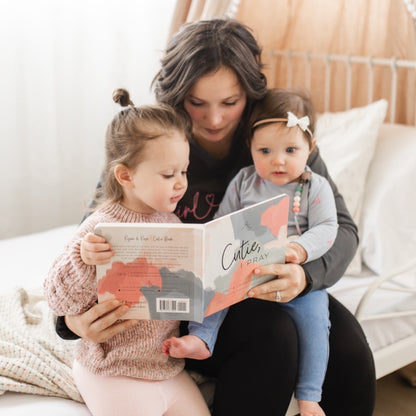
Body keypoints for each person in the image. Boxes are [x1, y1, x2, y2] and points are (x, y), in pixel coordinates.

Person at [55, 19, 376, 416]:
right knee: (273, 337)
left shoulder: (277, 133)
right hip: (173, 309)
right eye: (196, 103)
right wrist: (70, 322)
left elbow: (342, 228)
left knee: (348, 347)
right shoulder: (157, 132)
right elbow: (95, 226)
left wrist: (307, 276)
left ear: (250, 95)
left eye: (230, 103)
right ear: (176, 96)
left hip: (263, 282)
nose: (214, 120)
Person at [164, 88, 336, 416]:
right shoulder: (244, 182)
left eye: (290, 149)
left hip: (294, 277)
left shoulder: (315, 187)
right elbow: (223, 222)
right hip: (246, 270)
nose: (278, 160)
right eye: (265, 150)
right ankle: (202, 338)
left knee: (317, 324)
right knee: (216, 290)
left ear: (310, 149)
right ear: (251, 148)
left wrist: (300, 249)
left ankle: (310, 395)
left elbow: (329, 228)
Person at [44, 89, 211, 416]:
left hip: (164, 365)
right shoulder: (101, 226)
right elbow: (56, 297)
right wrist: (83, 258)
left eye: (184, 172)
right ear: (125, 176)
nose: (180, 183)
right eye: (168, 174)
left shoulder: (173, 222)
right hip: (112, 368)